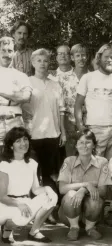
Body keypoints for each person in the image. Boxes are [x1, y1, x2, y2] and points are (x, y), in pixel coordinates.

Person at [0, 127, 57, 244]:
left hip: (25, 202)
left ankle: (34, 231)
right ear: (11, 146)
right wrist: (19, 204)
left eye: (25, 139)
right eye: (18, 141)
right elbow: (2, 196)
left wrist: (48, 189)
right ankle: (7, 228)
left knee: (52, 197)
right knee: (21, 220)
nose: (23, 143)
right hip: (6, 204)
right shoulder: (5, 165)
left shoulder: (32, 163)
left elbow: (35, 189)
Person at [23, 48, 66, 196]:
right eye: (39, 60)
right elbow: (24, 109)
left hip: (52, 134)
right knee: (33, 173)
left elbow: (61, 110)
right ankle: (34, 206)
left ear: (49, 63)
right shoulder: (27, 82)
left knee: (51, 173)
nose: (42, 63)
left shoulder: (55, 85)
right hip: (33, 135)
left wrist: (63, 132)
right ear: (33, 62)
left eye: (45, 60)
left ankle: (52, 207)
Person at [75, 43, 112, 160]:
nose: (109, 60)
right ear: (99, 58)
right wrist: (80, 125)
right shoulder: (88, 77)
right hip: (94, 128)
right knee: (94, 163)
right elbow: (78, 104)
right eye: (106, 57)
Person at [58, 129, 110, 241]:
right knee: (70, 194)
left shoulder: (102, 162)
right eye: (81, 142)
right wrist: (85, 185)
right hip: (69, 212)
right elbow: (62, 189)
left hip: (93, 212)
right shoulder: (69, 161)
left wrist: (84, 190)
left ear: (94, 145)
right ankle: (74, 227)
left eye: (88, 142)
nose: (84, 145)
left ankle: (90, 227)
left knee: (95, 197)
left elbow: (103, 191)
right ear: (76, 146)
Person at [0, 37, 32, 153]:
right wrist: (14, 97)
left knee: (16, 159)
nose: (6, 54)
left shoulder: (21, 76)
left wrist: (5, 98)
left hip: (14, 123)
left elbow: (26, 97)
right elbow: (19, 96)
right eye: (3, 50)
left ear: (14, 53)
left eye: (10, 51)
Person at [59, 44, 89, 156]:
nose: (81, 58)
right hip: (69, 123)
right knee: (71, 157)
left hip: (89, 122)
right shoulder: (63, 79)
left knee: (87, 154)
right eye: (78, 55)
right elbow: (60, 104)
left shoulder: (93, 77)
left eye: (84, 55)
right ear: (72, 58)